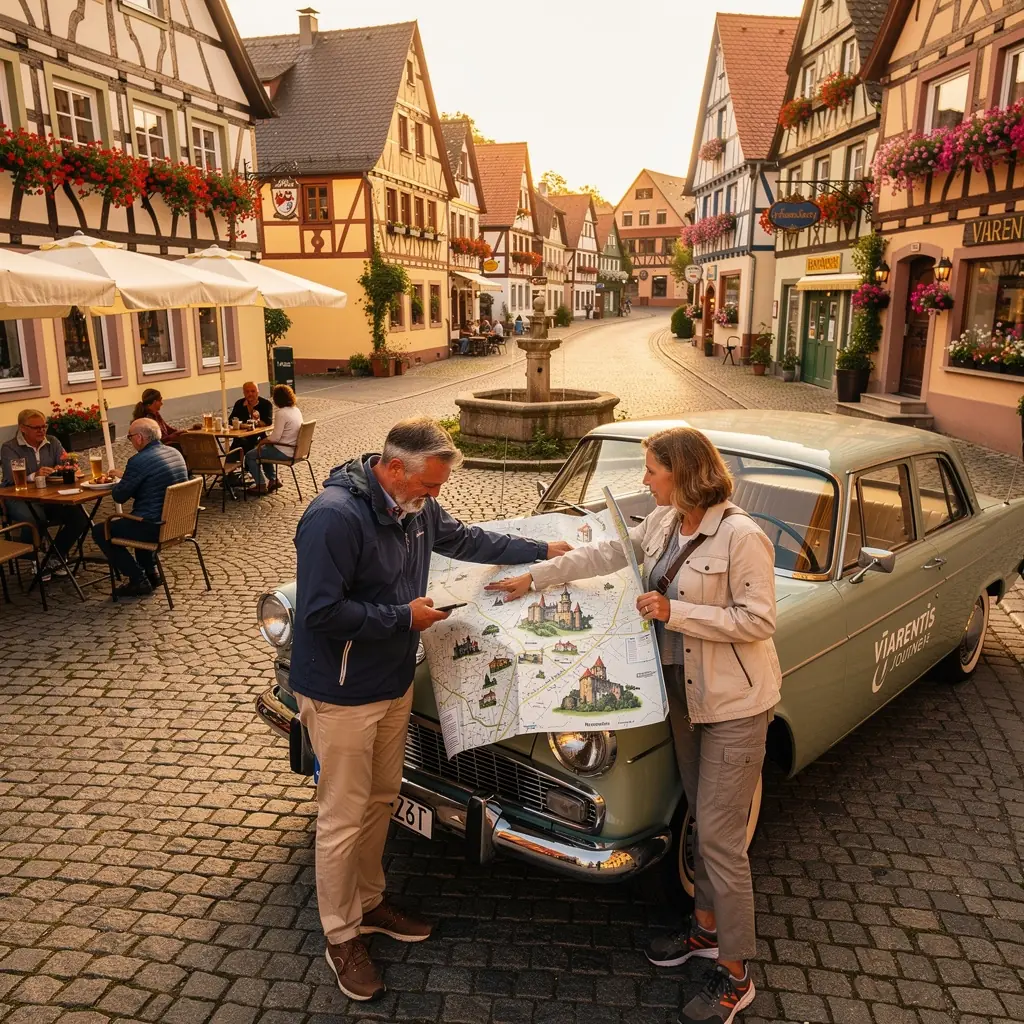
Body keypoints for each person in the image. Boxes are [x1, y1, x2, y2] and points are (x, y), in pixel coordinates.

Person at [487, 426, 780, 1024]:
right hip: (682, 695)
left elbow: (758, 620)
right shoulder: (666, 521)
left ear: (684, 472)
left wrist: (677, 611)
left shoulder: (743, 536)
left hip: (733, 705)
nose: (644, 480)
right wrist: (533, 579)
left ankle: (736, 974)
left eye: (653, 470)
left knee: (723, 841)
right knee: (701, 819)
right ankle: (703, 931)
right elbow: (604, 554)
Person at [290, 418, 572, 1002]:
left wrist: (545, 550)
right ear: (394, 469)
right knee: (341, 818)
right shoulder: (333, 518)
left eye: (440, 488)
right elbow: (318, 613)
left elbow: (469, 540)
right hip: (341, 693)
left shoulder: (414, 507)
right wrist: (403, 618)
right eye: (429, 485)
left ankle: (369, 903)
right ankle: (340, 935)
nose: (435, 497)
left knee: (382, 799)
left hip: (391, 685)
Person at [92, 418, 188, 598]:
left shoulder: (138, 461)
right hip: (178, 523)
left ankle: (138, 579)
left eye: (129, 437)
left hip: (154, 526)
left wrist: (120, 480)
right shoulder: (174, 452)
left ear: (139, 438)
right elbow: (152, 487)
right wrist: (129, 477)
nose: (130, 441)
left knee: (100, 530)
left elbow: (119, 496)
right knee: (138, 518)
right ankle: (152, 573)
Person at [0, 408, 89, 574]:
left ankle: (56, 556)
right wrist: (34, 475)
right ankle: (33, 557)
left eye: (44, 426)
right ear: (23, 428)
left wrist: (67, 467)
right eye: (36, 428)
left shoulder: (52, 442)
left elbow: (65, 461)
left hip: (49, 495)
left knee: (79, 516)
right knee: (34, 517)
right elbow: (10, 478)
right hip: (18, 496)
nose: (42, 430)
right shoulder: (9, 447)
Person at [245, 384, 302, 494]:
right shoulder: (296, 410)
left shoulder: (281, 413)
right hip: (295, 449)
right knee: (264, 450)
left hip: (284, 452)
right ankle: (273, 480)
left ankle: (260, 484)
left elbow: (275, 437)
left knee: (250, 455)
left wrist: (263, 441)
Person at [229, 381, 273, 455]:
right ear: (244, 393)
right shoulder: (239, 403)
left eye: (253, 391)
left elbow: (268, 422)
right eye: (247, 391)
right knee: (234, 449)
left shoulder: (265, 404)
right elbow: (230, 420)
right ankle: (229, 465)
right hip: (240, 437)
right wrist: (241, 425)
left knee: (247, 446)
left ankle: (248, 464)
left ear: (258, 391)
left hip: (259, 437)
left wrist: (257, 422)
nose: (250, 394)